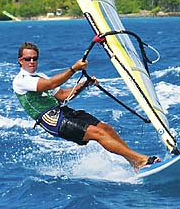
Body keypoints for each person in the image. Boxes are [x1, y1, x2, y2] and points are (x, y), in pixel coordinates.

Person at [12, 41, 161, 172]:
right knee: (97, 133)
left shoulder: (41, 75)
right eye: (27, 59)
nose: (32, 61)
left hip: (63, 112)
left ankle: (134, 162)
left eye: (34, 58)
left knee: (106, 128)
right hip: (51, 120)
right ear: (21, 60)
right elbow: (51, 84)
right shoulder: (20, 80)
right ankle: (140, 160)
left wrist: (84, 85)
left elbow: (63, 95)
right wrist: (74, 69)